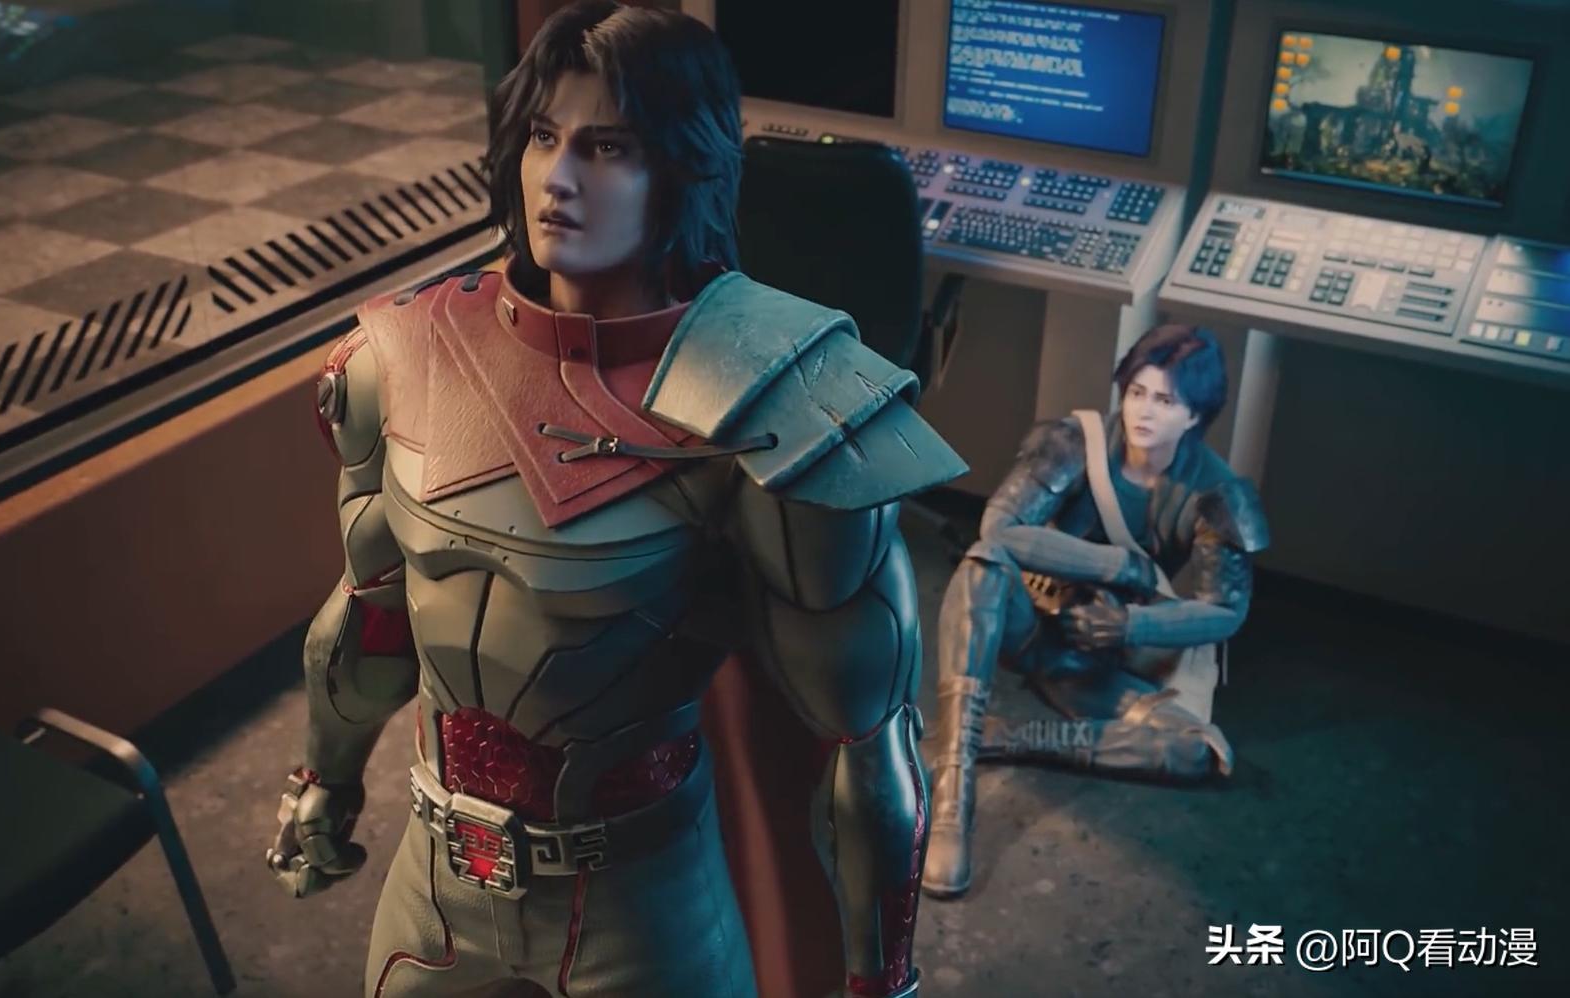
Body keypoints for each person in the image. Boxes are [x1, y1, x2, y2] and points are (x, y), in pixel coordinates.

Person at [264, 3, 966, 996]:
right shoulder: (403, 360)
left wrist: (876, 976)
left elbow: (865, 737)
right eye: (542, 137)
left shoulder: (779, 409)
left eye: (606, 148)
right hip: (436, 883)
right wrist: (324, 776)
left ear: (681, 169)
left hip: (642, 898)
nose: (557, 178)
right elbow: (368, 617)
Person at [920, 324, 1269, 900]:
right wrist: (1119, 566)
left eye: (1165, 400)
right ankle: (954, 791)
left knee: (1197, 751)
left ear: (1195, 415)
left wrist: (1131, 625)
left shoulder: (1217, 491)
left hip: (1097, 665)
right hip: (1028, 626)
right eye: (1136, 392)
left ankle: (1011, 738)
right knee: (983, 562)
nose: (1144, 411)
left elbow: (1226, 612)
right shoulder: (1074, 442)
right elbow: (999, 529)